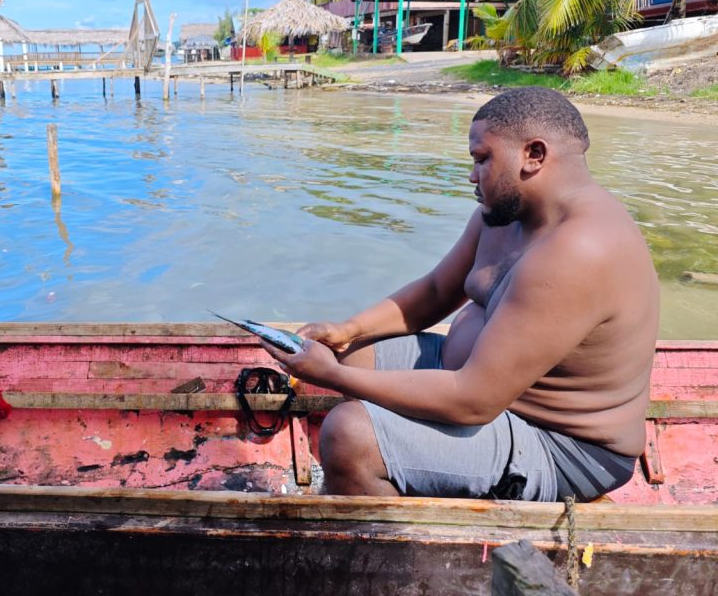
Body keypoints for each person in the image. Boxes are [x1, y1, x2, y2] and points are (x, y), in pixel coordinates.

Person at [263, 87, 658, 502]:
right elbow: (437, 290)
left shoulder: (579, 250)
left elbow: (474, 402)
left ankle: (390, 543)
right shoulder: (504, 214)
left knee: (348, 434)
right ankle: (390, 477)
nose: (472, 174)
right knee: (352, 350)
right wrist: (348, 329)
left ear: (534, 155)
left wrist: (332, 376)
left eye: (482, 159)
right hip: (480, 382)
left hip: (564, 445)